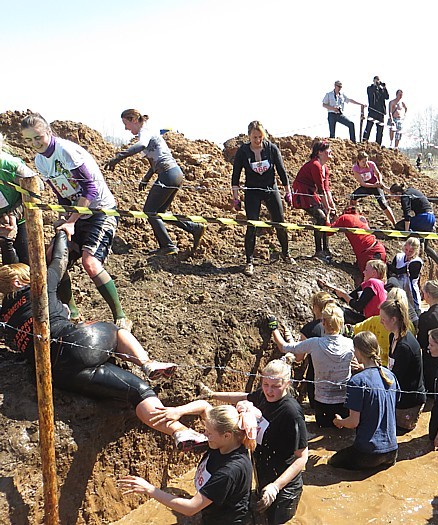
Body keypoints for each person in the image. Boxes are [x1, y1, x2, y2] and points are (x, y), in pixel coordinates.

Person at [0, 231, 207, 453]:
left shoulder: (4, 317)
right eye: (28, 275)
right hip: (76, 343)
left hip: (58, 374)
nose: (34, 276)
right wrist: (63, 232)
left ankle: (180, 432)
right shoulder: (37, 287)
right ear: (17, 281)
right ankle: (147, 363)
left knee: (138, 392)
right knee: (116, 331)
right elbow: (60, 261)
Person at [20, 113, 132, 330]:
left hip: (100, 211)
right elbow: (62, 194)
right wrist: (65, 217)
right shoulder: (40, 161)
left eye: (37, 137)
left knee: (90, 263)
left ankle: (121, 315)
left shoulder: (66, 152)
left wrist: (71, 221)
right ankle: (73, 313)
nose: (34, 143)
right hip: (77, 212)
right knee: (53, 258)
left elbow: (89, 189)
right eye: (28, 140)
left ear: (49, 133)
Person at [180, 359, 308, 524]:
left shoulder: (291, 413)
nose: (269, 391)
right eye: (265, 384)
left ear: (287, 383)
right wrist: (213, 394)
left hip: (285, 485)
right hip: (263, 475)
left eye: (276, 386)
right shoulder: (263, 396)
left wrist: (276, 486)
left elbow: (302, 457)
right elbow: (243, 396)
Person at [118, 403, 256, 525]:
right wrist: (178, 411)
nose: (204, 435)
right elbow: (204, 406)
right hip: (213, 515)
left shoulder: (229, 471)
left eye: (209, 433)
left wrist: (149, 489)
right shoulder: (226, 443)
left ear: (227, 435)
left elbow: (190, 508)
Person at [104, 109, 205, 256]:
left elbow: (141, 146)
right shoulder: (149, 132)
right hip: (174, 173)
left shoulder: (144, 131)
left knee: (149, 211)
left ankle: (168, 246)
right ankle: (193, 228)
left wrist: (118, 157)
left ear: (133, 120)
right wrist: (146, 178)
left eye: (126, 124)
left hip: (168, 174)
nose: (126, 128)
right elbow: (155, 160)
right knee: (160, 213)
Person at [269, 304, 354, 427]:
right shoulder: (350, 344)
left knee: (323, 428)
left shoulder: (314, 343)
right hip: (344, 402)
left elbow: (283, 347)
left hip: (321, 402)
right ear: (341, 323)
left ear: (323, 322)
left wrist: (274, 328)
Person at [231, 121, 295, 277]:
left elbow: (281, 171)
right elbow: (236, 175)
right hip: (252, 190)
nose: (258, 140)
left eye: (260, 137)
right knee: (252, 224)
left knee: (280, 221)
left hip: (270, 188)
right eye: (254, 137)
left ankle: (286, 253)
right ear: (249, 136)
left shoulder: (271, 149)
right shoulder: (243, 151)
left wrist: (288, 192)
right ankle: (249, 261)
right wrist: (235, 197)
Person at [331, 331, 399, 470]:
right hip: (392, 452)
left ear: (358, 351)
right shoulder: (390, 375)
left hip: (368, 454)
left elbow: (353, 422)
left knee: (331, 462)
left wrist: (340, 422)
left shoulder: (357, 381)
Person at [379, 298, 426, 432]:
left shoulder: (405, 346)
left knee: (398, 433)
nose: (381, 321)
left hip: (409, 402)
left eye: (383, 318)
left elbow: (395, 377)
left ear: (393, 319)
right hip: (399, 395)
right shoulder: (393, 336)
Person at [292, 140, 336, 260]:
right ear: (320, 152)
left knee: (327, 216)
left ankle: (326, 248)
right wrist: (326, 207)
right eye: (328, 150)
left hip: (312, 193)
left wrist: (331, 205)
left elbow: (326, 188)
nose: (330, 152)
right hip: (303, 193)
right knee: (321, 217)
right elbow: (321, 189)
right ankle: (318, 250)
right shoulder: (315, 165)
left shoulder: (325, 168)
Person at [388, 183, 438, 272]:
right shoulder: (411, 190)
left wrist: (406, 231)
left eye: (394, 196)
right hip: (431, 218)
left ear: (397, 193)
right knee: (426, 247)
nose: (394, 199)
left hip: (423, 218)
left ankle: (412, 248)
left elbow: (407, 215)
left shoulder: (404, 197)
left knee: (399, 226)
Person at [0, 131, 39, 265]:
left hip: (19, 216)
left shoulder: (11, 165)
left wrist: (14, 214)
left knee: (25, 263)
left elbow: (37, 189)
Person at [318, 259, 388, 325]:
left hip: (371, 322)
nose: (363, 272)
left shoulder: (372, 283)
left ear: (374, 273)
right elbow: (349, 297)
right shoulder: (376, 285)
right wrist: (328, 286)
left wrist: (345, 296)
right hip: (371, 320)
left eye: (366, 270)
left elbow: (358, 306)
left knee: (338, 311)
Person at [329, 205, 386, 271]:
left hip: (367, 254)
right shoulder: (361, 217)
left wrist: (327, 217)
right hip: (378, 248)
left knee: (368, 279)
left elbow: (328, 232)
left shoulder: (344, 217)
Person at [349, 151, 397, 224]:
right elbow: (362, 183)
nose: (365, 163)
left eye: (366, 161)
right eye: (363, 162)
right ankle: (353, 217)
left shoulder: (371, 164)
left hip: (376, 186)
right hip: (366, 187)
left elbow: (378, 174)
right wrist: (373, 185)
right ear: (358, 161)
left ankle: (394, 223)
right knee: (353, 196)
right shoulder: (355, 168)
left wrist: (379, 181)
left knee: (383, 203)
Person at [388, 237, 424, 324]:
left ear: (416, 251)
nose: (407, 253)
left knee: (414, 315)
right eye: (406, 249)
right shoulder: (398, 257)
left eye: (411, 251)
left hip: (411, 292)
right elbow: (391, 272)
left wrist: (387, 265)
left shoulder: (417, 262)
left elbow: (398, 271)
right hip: (398, 289)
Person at [363, 76, 390, 144]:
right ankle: (364, 141)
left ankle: (378, 144)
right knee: (368, 127)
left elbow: (387, 97)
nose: (378, 81)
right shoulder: (370, 88)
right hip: (372, 111)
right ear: (373, 80)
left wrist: (384, 87)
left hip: (380, 112)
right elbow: (370, 93)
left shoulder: (381, 90)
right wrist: (375, 85)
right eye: (376, 80)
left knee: (380, 129)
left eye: (378, 80)